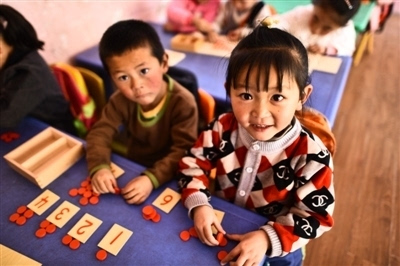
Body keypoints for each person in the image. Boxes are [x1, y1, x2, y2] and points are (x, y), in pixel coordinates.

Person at [177, 18, 335, 265]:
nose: (260, 113)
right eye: (246, 95)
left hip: (279, 244)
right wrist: (198, 203)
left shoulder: (312, 155)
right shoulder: (222, 126)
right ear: (229, 90)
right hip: (222, 225)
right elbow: (192, 163)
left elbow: (316, 216)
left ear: (303, 96)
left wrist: (266, 238)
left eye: (277, 96)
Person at [86, 19, 198, 204]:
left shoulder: (183, 103)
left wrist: (151, 179)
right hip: (133, 166)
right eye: (123, 77)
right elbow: (100, 133)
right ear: (112, 79)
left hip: (169, 177)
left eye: (144, 70)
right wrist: (99, 167)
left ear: (163, 63)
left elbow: (183, 152)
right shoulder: (119, 101)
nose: (136, 85)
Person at [0, 5, 74, 133]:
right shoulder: (10, 59)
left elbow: (4, 117)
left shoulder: (29, 72)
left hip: (56, 134)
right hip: (25, 123)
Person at [274, 0, 361, 56]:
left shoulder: (346, 32)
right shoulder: (301, 14)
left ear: (341, 26)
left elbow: (348, 49)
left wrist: (327, 50)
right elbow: (280, 21)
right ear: (314, 5)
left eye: (327, 28)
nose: (316, 29)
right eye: (315, 18)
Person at [200, 0, 275, 42]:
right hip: (226, 45)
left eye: (242, 2)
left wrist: (243, 32)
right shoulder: (227, 5)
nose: (236, 5)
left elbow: (265, 33)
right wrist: (212, 31)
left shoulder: (261, 9)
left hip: (248, 48)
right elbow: (218, 24)